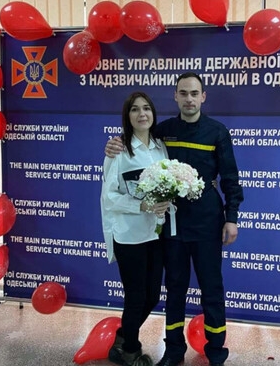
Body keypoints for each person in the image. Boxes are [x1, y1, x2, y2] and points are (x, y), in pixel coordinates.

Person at [104, 72, 244, 366]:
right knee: (175, 288)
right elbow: (136, 139)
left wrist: (231, 217)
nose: (189, 99)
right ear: (175, 96)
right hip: (171, 226)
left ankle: (216, 352)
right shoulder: (163, 132)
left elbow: (230, 178)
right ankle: (174, 350)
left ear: (203, 97)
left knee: (212, 289)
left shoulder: (217, 132)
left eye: (194, 93)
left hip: (207, 225)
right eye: (183, 93)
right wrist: (114, 144)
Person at [101, 91, 173, 366]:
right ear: (127, 116)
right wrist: (140, 206)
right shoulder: (119, 150)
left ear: (153, 113)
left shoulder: (160, 147)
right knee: (136, 297)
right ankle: (129, 350)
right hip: (129, 236)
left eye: (146, 108)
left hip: (155, 233)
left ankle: (122, 337)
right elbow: (109, 197)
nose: (142, 113)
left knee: (152, 296)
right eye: (135, 109)